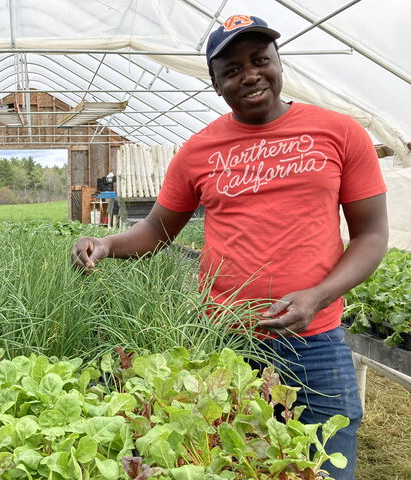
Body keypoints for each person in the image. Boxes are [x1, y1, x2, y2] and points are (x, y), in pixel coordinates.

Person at [71, 15, 388, 480]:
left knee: (324, 462)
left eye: (260, 60)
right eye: (233, 69)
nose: (251, 74)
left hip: (315, 339)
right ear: (217, 85)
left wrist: (317, 295)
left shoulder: (340, 133)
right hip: (226, 343)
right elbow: (158, 230)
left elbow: (372, 234)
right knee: (231, 461)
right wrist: (104, 243)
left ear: (279, 62)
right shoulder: (198, 150)